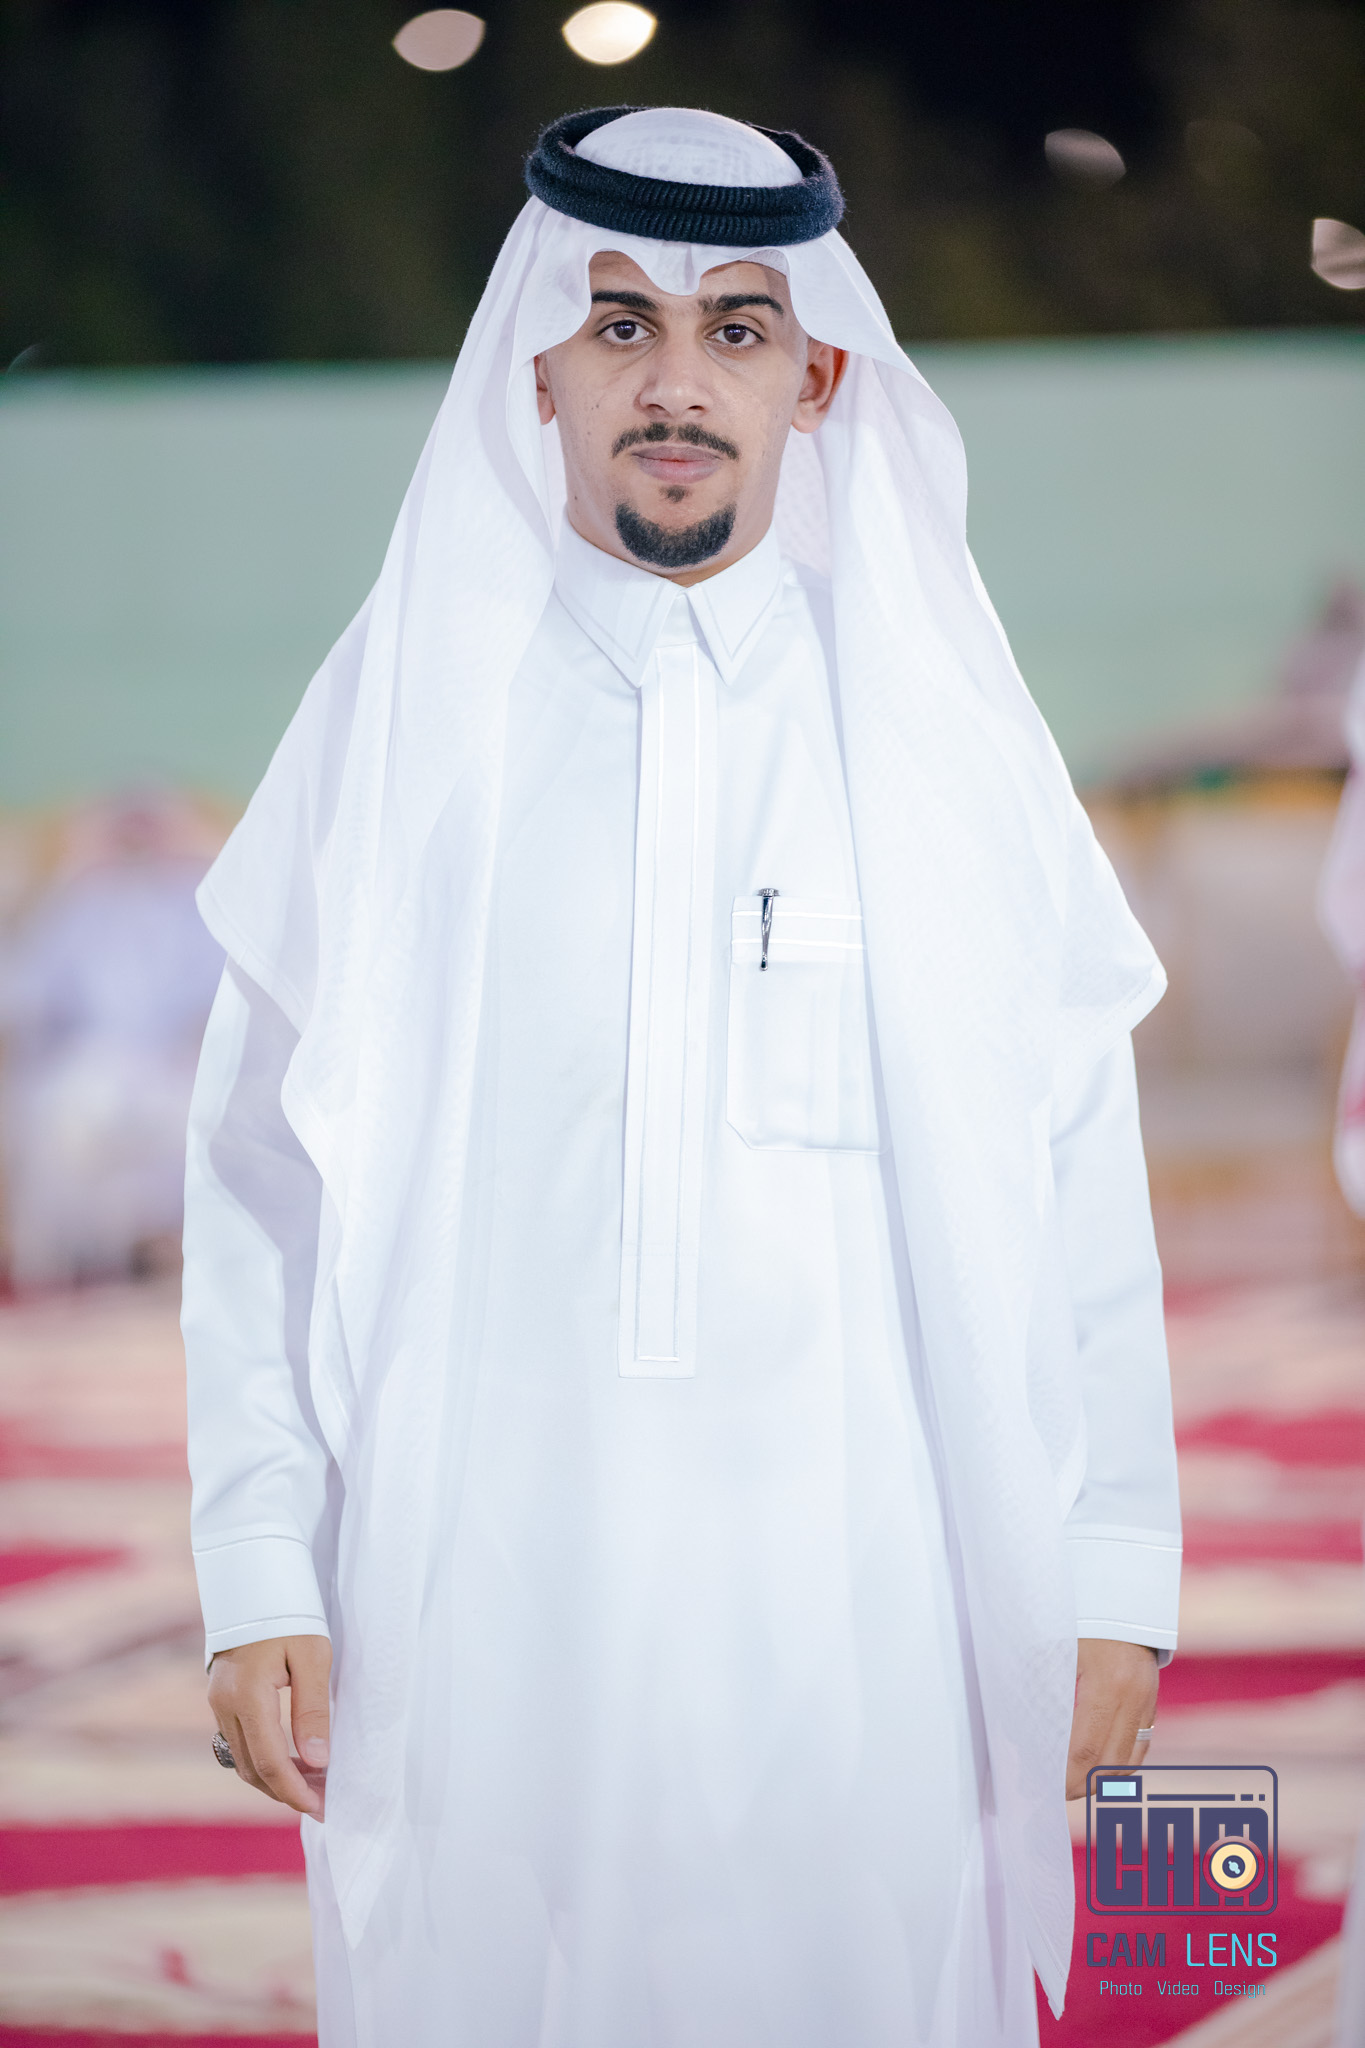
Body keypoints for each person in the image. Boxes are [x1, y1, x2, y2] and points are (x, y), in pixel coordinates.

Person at [183, 107, 1181, 2047]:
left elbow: (1075, 1158)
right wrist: (254, 1559)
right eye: (620, 323)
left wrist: (1112, 1566)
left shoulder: (934, 736)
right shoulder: (402, 725)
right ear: (535, 368)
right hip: (479, 1612)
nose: (671, 382)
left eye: (735, 330)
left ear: (818, 380)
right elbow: (257, 1176)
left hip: (868, 1615)